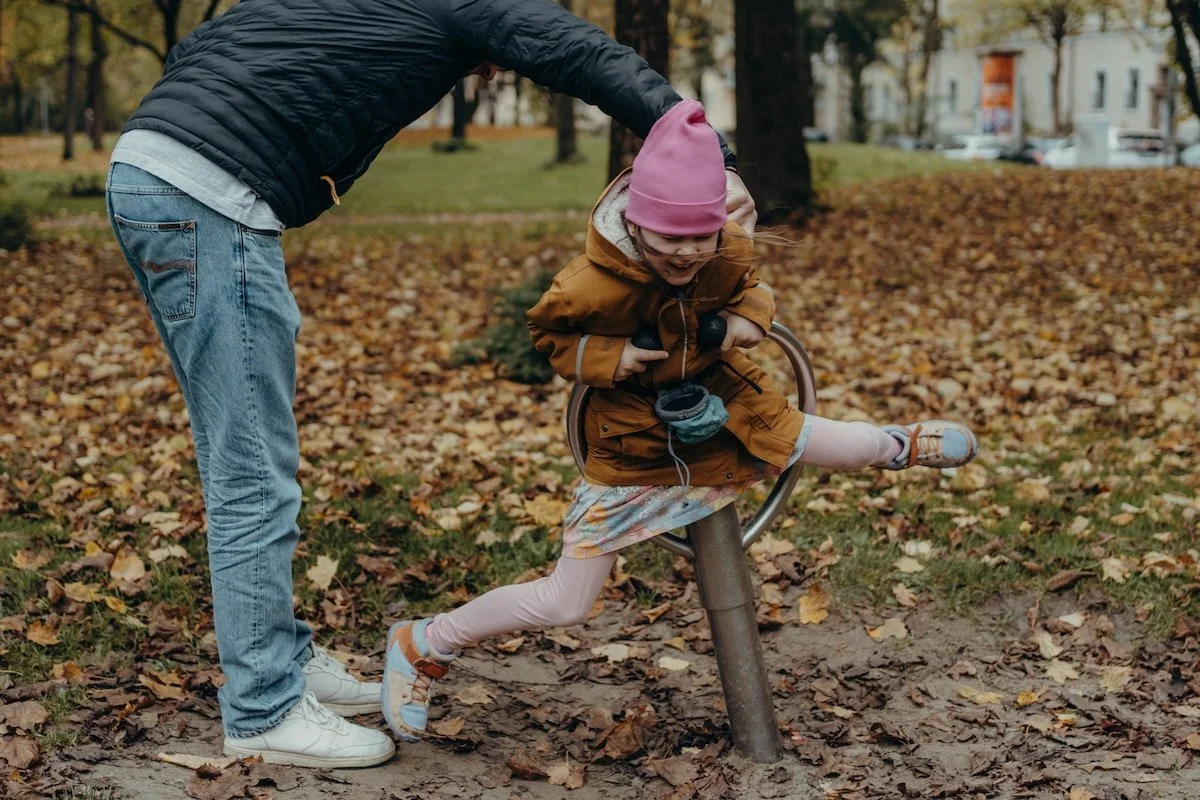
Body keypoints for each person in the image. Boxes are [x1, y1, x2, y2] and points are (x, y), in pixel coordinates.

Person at [104, 0, 760, 769]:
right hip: (208, 200)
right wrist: (711, 154)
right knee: (250, 470)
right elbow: (582, 54)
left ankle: (276, 657)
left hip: (155, 171)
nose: (491, 65)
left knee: (246, 454)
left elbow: (207, 48)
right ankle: (263, 709)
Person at [381, 100, 979, 742]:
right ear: (637, 223)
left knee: (807, 435)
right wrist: (609, 356)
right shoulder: (586, 286)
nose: (689, 253)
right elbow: (549, 338)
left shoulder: (722, 251)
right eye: (672, 237)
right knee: (567, 601)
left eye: (703, 236)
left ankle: (896, 445)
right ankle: (424, 642)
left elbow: (752, 287)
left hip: (725, 400)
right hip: (633, 441)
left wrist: (747, 320)